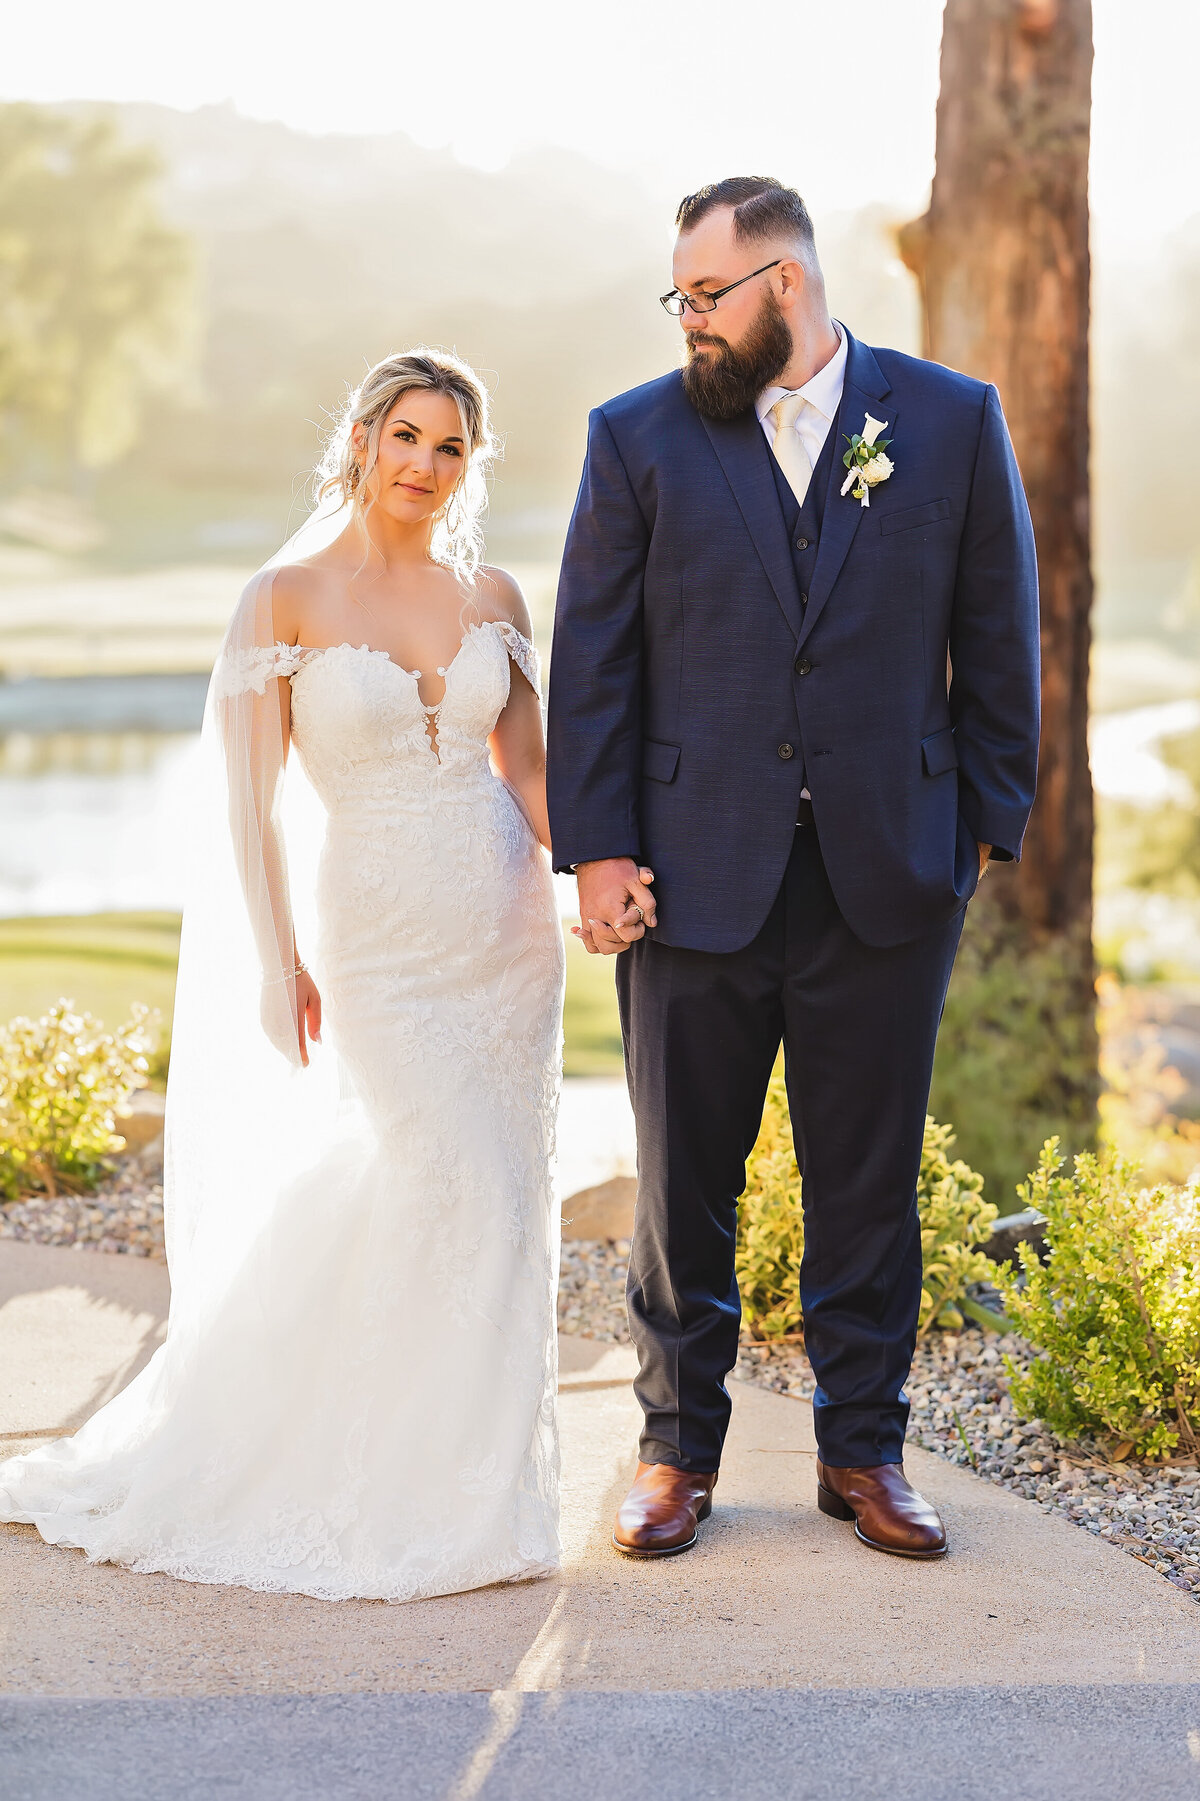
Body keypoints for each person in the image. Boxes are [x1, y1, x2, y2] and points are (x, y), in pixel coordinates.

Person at [0, 350, 565, 1602]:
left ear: (472, 465)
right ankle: (330, 1467)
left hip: (504, 935)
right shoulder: (285, 598)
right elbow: (246, 809)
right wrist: (278, 959)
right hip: (378, 942)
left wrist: (602, 872)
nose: (425, 465)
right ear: (363, 438)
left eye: (451, 447)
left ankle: (474, 1491)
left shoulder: (497, 593)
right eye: (406, 436)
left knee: (503, 1205)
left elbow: (530, 775)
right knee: (444, 1172)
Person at [547, 177, 1040, 1561]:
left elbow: (1000, 633)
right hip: (688, 875)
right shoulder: (636, 436)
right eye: (679, 299)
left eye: (706, 296)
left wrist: (981, 833)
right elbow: (596, 662)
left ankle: (865, 1452)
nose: (688, 321)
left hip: (890, 874)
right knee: (680, 1180)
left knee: (867, 1179)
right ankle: (675, 1453)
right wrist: (596, 847)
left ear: (785, 285)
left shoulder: (949, 420)